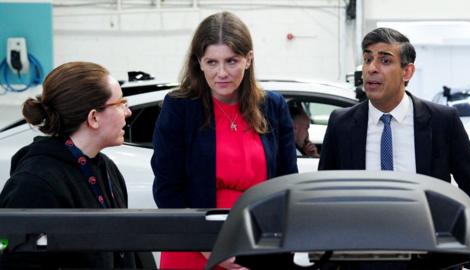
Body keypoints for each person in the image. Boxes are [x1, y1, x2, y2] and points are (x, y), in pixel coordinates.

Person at [318, 27, 470, 269]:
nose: (372, 68)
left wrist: (459, 243)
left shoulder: (442, 120)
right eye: (367, 58)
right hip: (360, 258)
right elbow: (325, 197)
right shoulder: (341, 123)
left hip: (429, 258)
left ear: (407, 71)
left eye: (384, 60)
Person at [151, 11, 298, 269]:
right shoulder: (180, 108)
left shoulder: (273, 106)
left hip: (258, 247)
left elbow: (286, 184)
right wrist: (206, 245)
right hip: (194, 247)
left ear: (248, 59)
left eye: (231, 61)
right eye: (211, 62)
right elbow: (167, 188)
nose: (222, 73)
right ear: (199, 62)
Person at [0, 61, 140, 269]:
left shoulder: (107, 169)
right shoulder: (33, 183)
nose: (128, 112)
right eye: (120, 103)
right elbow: (15, 260)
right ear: (93, 118)